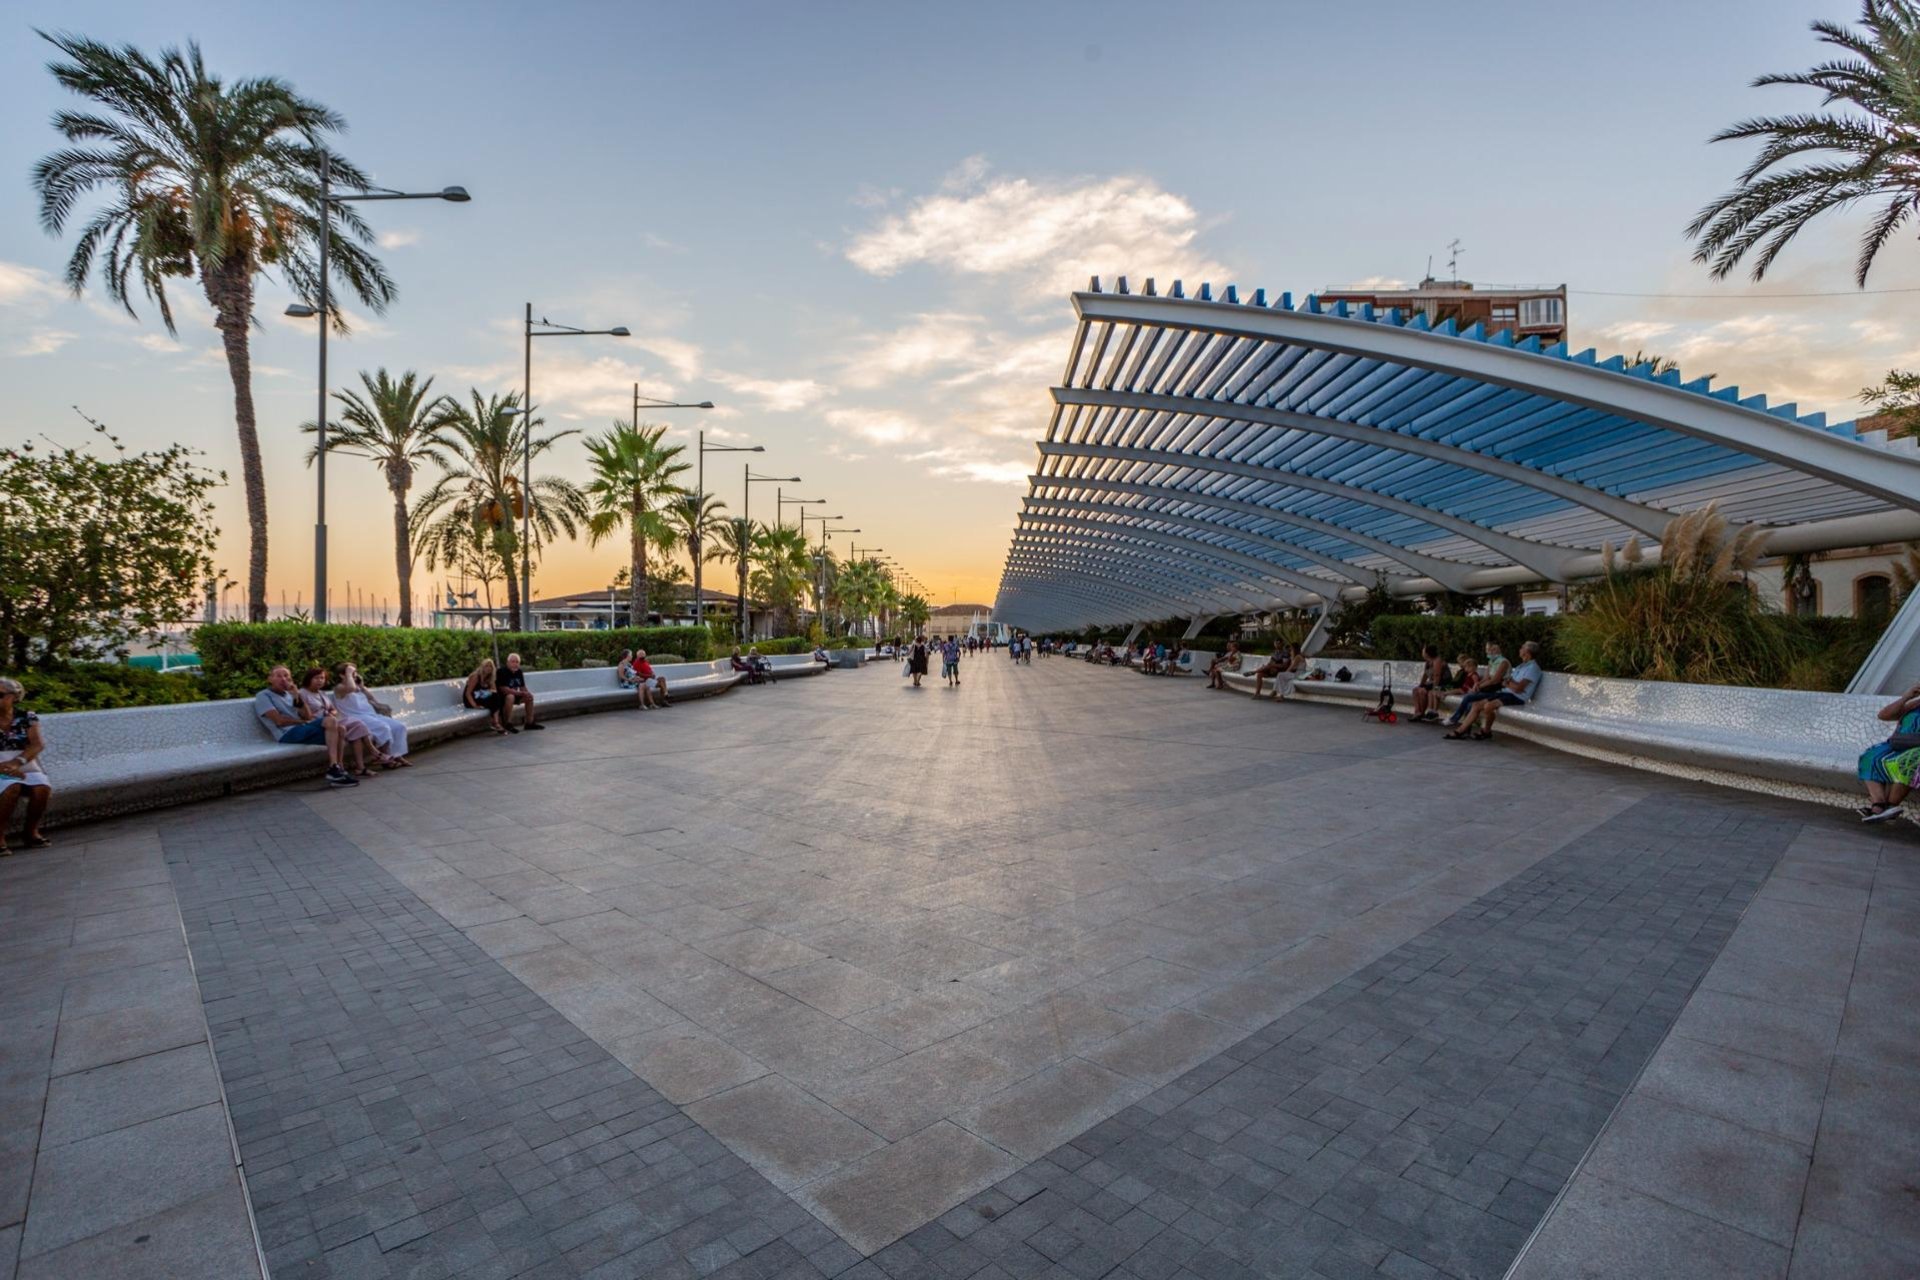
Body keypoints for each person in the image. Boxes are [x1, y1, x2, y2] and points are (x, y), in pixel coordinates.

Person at [253, 665, 356, 788]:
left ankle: (338, 770)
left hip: (301, 730)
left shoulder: (290, 695)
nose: (283, 679)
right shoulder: (263, 696)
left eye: (286, 676)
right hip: (286, 734)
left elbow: (307, 716)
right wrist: (301, 722)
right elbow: (279, 721)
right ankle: (334, 769)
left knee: (341, 729)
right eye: (278, 676)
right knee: (331, 721)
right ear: (270, 679)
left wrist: (297, 695)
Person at [1446, 640, 1543, 741]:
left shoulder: (1533, 668)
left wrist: (1507, 683)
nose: (1520, 649)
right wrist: (1508, 683)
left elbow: (1519, 689)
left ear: (1527, 652)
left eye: (1522, 647)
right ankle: (1461, 731)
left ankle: (1485, 731)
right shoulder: (1521, 666)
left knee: (1488, 706)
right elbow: (1510, 681)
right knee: (1476, 705)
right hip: (1506, 693)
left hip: (1517, 697)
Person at [296, 666, 386, 774]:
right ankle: (374, 752)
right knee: (356, 724)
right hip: (320, 723)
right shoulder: (302, 693)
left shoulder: (321, 693)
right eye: (316, 678)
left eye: (322, 678)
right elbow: (305, 715)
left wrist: (331, 712)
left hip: (331, 721)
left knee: (357, 730)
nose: (320, 681)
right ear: (308, 679)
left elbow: (333, 709)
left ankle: (361, 767)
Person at [0, 677, 53, 851]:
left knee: (42, 788)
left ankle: (31, 832)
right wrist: (4, 769)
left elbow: (37, 744)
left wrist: (17, 762)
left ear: (14, 696)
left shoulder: (27, 717)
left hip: (23, 764)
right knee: (11, 787)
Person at [1857, 681, 1920, 821]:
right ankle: (1878, 804)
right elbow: (1884, 715)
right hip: (1899, 743)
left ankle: (1891, 806)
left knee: (1906, 762)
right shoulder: (1916, 704)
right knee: (1870, 756)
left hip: (1916, 749)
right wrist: (1906, 698)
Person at [336, 664, 410, 766]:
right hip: (356, 718)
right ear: (342, 675)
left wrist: (362, 687)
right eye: (352, 673)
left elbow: (372, 699)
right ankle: (386, 759)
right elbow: (351, 688)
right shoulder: (340, 688)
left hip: (370, 715)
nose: (354, 675)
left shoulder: (358, 687)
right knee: (383, 727)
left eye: (355, 673)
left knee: (399, 727)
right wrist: (349, 673)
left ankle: (397, 755)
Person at [1443, 642, 1513, 731]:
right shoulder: (1491, 661)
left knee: (1469, 697)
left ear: (1496, 650)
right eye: (1487, 650)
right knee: (1469, 703)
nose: (1487, 652)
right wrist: (1477, 684)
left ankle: (1455, 719)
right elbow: (1486, 677)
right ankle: (1465, 729)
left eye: (1490, 649)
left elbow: (1495, 680)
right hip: (1488, 689)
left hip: (1497, 690)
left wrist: (1479, 687)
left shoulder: (1503, 662)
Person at [497, 652, 543, 731]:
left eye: (517, 662)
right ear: (507, 663)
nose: (515, 664)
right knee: (510, 697)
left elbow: (522, 687)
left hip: (515, 695)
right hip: (502, 698)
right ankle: (507, 723)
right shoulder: (501, 671)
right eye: (513, 662)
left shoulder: (519, 672)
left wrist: (527, 693)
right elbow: (503, 689)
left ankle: (529, 723)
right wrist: (520, 693)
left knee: (529, 698)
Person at [464, 658, 509, 734]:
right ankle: (496, 723)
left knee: (498, 697)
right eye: (486, 666)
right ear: (482, 667)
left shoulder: (490, 678)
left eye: (490, 666)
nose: (488, 668)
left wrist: (489, 690)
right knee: (495, 698)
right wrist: (475, 706)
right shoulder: (476, 676)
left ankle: (497, 722)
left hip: (481, 696)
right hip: (471, 699)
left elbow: (494, 691)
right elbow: (468, 693)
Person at [1410, 645, 1452, 723]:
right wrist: (1421, 685)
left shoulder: (1437, 660)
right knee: (1416, 690)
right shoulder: (1428, 661)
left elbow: (1437, 676)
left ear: (1427, 653)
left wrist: (1434, 688)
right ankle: (1417, 712)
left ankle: (1422, 713)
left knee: (1422, 691)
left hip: (1442, 683)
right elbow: (1425, 674)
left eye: (1423, 651)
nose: (1422, 653)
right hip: (1433, 682)